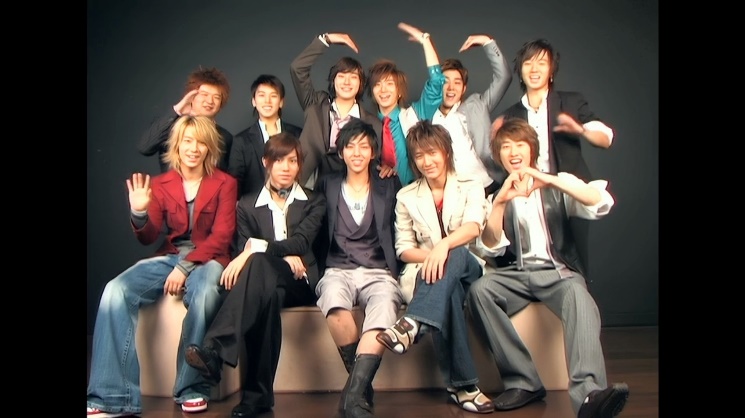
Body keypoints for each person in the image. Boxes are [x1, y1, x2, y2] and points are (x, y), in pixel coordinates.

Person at [466, 118, 627, 417]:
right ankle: (523, 381)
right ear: (499, 155)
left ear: (532, 149)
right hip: (518, 274)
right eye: (505, 147)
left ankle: (589, 395)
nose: (513, 152)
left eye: (520, 145)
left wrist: (550, 180)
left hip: (558, 274)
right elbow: (490, 245)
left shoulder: (558, 183)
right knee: (480, 290)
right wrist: (500, 203)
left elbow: (600, 201)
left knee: (579, 297)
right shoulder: (497, 194)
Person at [87, 115, 238, 417]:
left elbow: (222, 237)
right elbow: (149, 236)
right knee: (115, 290)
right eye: (187, 141)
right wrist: (139, 212)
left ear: (209, 148)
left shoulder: (225, 183)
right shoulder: (159, 184)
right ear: (177, 145)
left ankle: (192, 387)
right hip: (171, 255)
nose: (194, 148)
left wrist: (185, 268)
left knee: (206, 293)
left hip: (210, 258)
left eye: (201, 143)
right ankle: (112, 395)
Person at [183, 132, 326, 418]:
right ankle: (256, 398)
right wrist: (275, 254)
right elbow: (244, 247)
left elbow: (300, 242)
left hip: (301, 281)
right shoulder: (247, 204)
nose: (286, 167)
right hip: (268, 281)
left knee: (259, 262)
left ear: (300, 165)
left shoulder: (314, 200)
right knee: (267, 294)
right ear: (266, 162)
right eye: (279, 160)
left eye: (293, 161)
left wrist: (259, 249)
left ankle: (215, 349)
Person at [376, 120, 493, 414]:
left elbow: (473, 227)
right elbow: (404, 249)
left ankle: (412, 323)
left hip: (468, 268)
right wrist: (433, 257)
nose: (427, 162)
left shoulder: (470, 185)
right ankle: (464, 387)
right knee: (448, 294)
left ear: (446, 152)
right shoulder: (406, 196)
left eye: (432, 153)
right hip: (427, 273)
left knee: (455, 254)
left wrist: (443, 247)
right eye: (419, 156)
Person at [493, 38, 615, 272]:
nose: (534, 69)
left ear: (551, 71)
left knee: (571, 258)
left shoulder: (571, 101)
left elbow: (606, 138)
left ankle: (574, 290)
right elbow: (503, 157)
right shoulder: (510, 115)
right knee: (523, 256)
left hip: (567, 193)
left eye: (541, 63)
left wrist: (581, 130)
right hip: (528, 195)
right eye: (528, 63)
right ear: (520, 72)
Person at [313, 119, 403, 418]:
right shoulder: (327, 184)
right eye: (350, 147)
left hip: (379, 270)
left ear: (373, 152)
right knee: (333, 303)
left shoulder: (388, 183)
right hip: (337, 268)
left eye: (364, 146)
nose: (357, 153)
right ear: (341, 152)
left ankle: (352, 397)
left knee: (383, 310)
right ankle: (360, 390)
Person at [290, 31, 393, 189]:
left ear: (361, 84)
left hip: (349, 189)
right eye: (341, 76)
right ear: (333, 80)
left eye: (353, 77)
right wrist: (327, 39)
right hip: (308, 184)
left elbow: (374, 163)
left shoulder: (372, 123)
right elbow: (297, 69)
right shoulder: (315, 104)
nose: (347, 82)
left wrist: (387, 167)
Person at [366, 22, 444, 186]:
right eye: (377, 85)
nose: (383, 90)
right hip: (379, 193)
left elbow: (437, 82)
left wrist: (425, 41)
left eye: (389, 84)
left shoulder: (414, 115)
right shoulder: (367, 123)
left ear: (399, 91)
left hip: (414, 190)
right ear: (372, 92)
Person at [433, 33, 512, 196]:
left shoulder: (477, 105)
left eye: (457, 82)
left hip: (488, 186)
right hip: (453, 194)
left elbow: (504, 77)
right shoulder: (428, 117)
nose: (451, 88)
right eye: (445, 81)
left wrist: (487, 42)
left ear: (464, 88)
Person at [139, 66, 233, 173]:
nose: (210, 101)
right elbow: (144, 147)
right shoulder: (170, 126)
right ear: (191, 96)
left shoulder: (226, 137)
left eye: (216, 97)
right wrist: (177, 110)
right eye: (204, 94)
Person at [229, 74, 303, 198]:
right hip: (253, 206)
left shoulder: (298, 134)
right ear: (253, 101)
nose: (267, 101)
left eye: (273, 96)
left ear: (281, 102)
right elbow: (234, 183)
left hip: (293, 203)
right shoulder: (241, 140)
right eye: (261, 95)